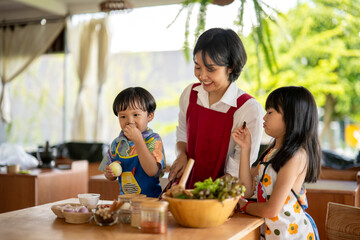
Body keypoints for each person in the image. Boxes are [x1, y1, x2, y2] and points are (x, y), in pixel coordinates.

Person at [169, 28, 264, 188]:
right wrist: (181, 155)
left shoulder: (248, 109)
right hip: (184, 189)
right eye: (198, 67)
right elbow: (182, 134)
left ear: (231, 67)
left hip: (220, 196)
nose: (202, 76)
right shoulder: (190, 94)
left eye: (211, 69)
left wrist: (202, 195)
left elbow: (238, 171)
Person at [232, 86, 321, 240]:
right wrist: (245, 149)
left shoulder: (296, 156)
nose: (264, 118)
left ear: (291, 117)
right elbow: (246, 191)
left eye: (270, 112)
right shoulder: (271, 152)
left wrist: (242, 206)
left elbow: (271, 210)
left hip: (291, 236)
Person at [98, 87, 166, 198]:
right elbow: (109, 176)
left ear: (150, 116)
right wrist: (109, 173)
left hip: (150, 202)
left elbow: (152, 171)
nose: (129, 121)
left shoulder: (154, 140)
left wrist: (138, 140)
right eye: (123, 116)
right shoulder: (116, 143)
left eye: (136, 115)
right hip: (125, 202)